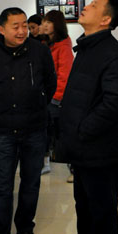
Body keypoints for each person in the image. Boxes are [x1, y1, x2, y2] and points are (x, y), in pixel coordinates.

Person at [0, 7, 57, 234]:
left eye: (24, 25)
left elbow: (50, 84)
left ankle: (25, 229)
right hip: (3, 131)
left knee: (31, 182)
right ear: (1, 29)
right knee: (2, 187)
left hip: (34, 128)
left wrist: (37, 105)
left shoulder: (40, 52)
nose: (22, 31)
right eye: (15, 26)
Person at [57, 0, 118, 234]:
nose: (86, 6)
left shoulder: (111, 53)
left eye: (94, 5)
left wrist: (83, 130)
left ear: (106, 20)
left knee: (102, 209)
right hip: (82, 147)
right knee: (84, 203)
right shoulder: (88, 47)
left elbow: (114, 103)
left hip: (98, 148)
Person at [40, 10, 74, 174]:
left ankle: (73, 168)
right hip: (47, 97)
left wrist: (54, 98)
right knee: (47, 132)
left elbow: (64, 76)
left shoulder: (63, 47)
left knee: (62, 134)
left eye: (49, 22)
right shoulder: (47, 43)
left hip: (56, 99)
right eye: (44, 21)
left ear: (57, 25)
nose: (45, 25)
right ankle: (46, 163)